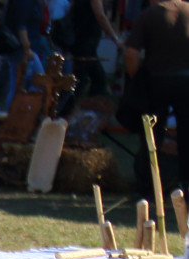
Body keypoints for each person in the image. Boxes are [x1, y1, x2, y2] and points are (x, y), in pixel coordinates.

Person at [126, 0, 189, 197]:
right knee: (187, 135)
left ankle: (149, 187)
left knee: (152, 136)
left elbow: (131, 54)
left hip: (156, 81)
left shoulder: (148, 15)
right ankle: (186, 186)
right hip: (186, 81)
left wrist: (137, 80)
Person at [0, 0, 52, 109]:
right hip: (23, 50)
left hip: (28, 49)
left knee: (22, 84)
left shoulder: (33, 3)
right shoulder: (24, 2)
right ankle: (13, 112)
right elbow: (21, 26)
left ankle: (20, 110)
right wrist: (26, 48)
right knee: (24, 83)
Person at [71, 0, 123, 94]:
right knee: (91, 78)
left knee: (91, 76)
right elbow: (100, 16)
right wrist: (115, 38)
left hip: (81, 38)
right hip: (86, 40)